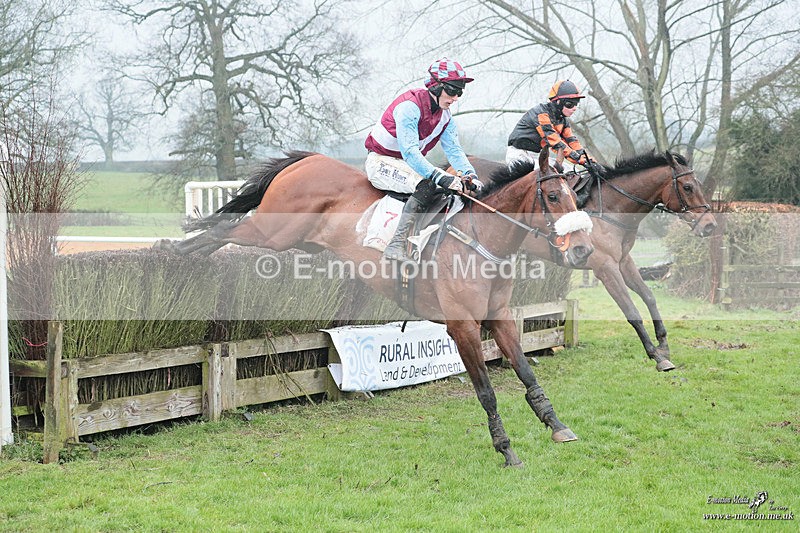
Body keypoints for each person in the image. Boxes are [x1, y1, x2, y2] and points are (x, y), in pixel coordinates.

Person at [365, 58, 483, 262]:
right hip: (381, 162)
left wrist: (470, 175)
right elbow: (410, 152)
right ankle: (396, 245)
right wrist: (442, 177)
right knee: (428, 184)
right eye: (453, 91)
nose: (456, 97)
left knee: (445, 188)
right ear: (436, 86)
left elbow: (454, 150)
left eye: (460, 92)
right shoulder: (409, 107)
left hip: (405, 165)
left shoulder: (445, 117)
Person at [506, 80, 594, 171]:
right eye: (570, 104)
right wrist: (579, 159)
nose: (574, 108)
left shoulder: (563, 120)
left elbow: (572, 142)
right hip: (518, 155)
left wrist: (590, 161)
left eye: (576, 104)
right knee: (551, 174)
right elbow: (555, 142)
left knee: (573, 172)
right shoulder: (541, 114)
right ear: (558, 102)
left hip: (538, 156)